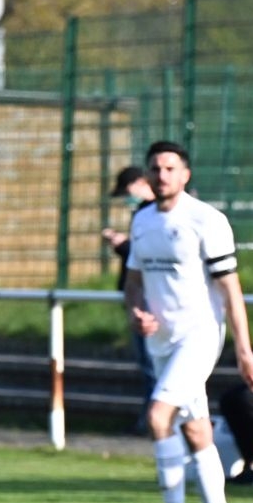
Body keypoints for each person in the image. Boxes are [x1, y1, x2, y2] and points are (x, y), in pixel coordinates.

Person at [124, 141, 253, 503]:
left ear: (185, 175)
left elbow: (231, 291)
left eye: (170, 168)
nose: (162, 175)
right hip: (161, 343)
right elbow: (133, 285)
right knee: (196, 430)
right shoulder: (142, 221)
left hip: (199, 336)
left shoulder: (206, 220)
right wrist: (137, 312)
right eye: (155, 168)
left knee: (158, 418)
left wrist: (244, 349)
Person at [103, 166, 157, 433]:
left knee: (152, 365)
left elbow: (147, 254)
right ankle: (152, 419)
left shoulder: (152, 213)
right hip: (140, 296)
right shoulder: (144, 213)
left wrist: (123, 245)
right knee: (148, 365)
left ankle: (154, 421)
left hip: (151, 298)